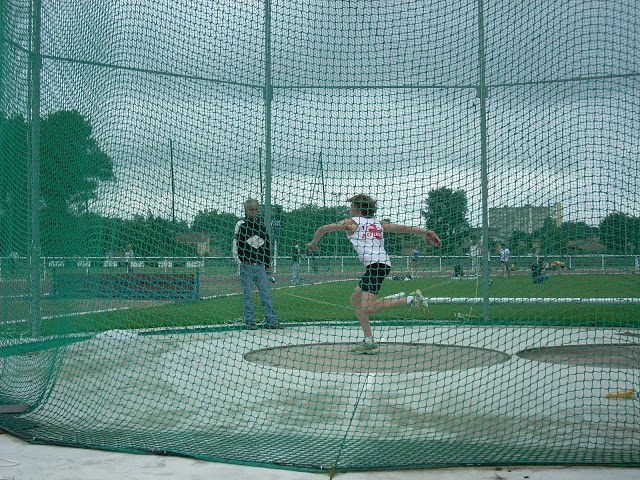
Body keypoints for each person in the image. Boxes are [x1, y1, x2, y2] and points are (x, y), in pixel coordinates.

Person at [306, 194, 441, 355]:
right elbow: (403, 229)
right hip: (379, 265)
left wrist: (313, 244)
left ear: (357, 208)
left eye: (351, 207)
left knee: (368, 307)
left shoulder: (351, 223)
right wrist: (426, 232)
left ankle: (412, 299)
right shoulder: (378, 223)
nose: (349, 209)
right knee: (355, 299)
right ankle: (369, 342)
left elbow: (323, 229)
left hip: (376, 266)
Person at [233, 198, 282, 330]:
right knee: (248, 294)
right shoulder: (242, 226)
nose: (254, 212)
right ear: (246, 210)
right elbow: (239, 245)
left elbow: (266, 246)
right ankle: (250, 321)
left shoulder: (262, 226)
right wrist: (243, 260)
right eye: (251, 210)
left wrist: (267, 263)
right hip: (247, 266)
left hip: (261, 266)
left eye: (256, 209)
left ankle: (271, 320)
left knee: (266, 294)